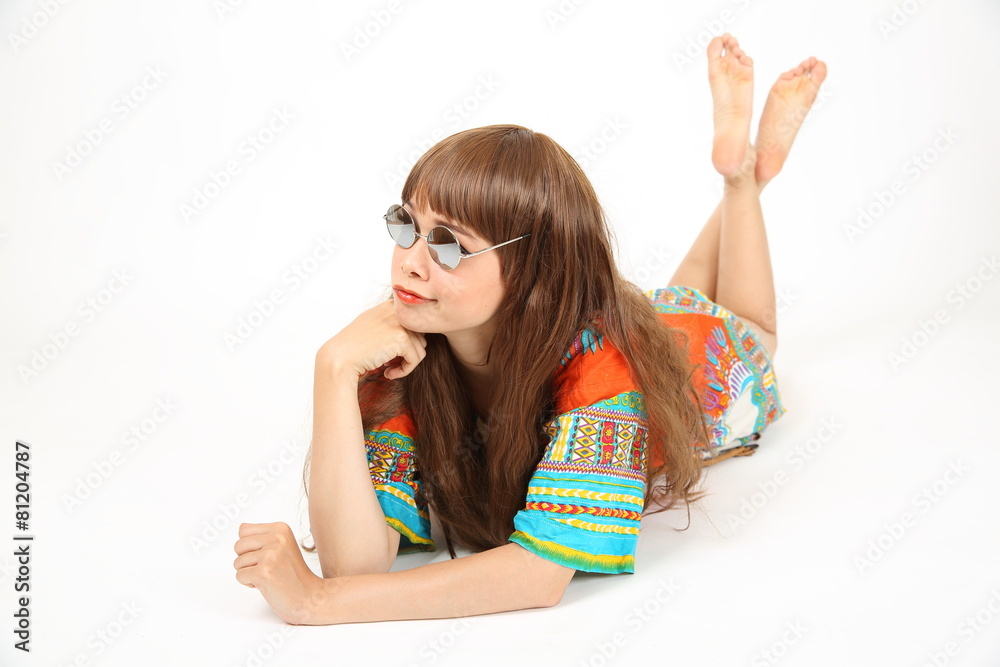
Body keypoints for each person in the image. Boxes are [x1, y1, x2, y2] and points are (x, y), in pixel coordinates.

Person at [233, 34, 827, 625]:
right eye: (406, 225)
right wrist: (333, 368)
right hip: (639, 319)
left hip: (703, 355)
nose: (409, 262)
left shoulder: (607, 373)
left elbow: (538, 574)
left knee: (755, 330)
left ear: (530, 271)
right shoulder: (400, 349)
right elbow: (355, 563)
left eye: (447, 243)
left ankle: (741, 179)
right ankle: (740, 174)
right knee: (669, 301)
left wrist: (316, 601)